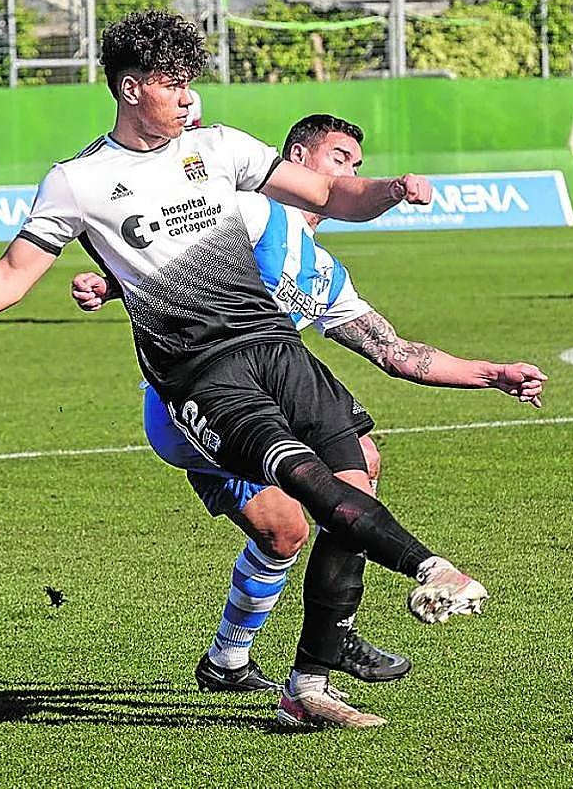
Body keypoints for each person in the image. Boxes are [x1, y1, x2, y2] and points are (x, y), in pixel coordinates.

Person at [0, 10, 514, 730]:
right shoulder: (78, 182)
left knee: (358, 470)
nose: (187, 98)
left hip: (274, 344)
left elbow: (331, 195)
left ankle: (308, 684)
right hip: (198, 371)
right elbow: (10, 277)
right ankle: (430, 567)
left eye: (188, 83)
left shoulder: (219, 148)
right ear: (131, 88)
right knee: (300, 480)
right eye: (173, 84)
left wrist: (391, 189)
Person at [70, 113, 547, 705]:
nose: (350, 172)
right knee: (346, 472)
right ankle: (339, 630)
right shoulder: (249, 210)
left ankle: (230, 660)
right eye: (339, 158)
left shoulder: (323, 272)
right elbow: (169, 253)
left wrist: (492, 374)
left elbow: (395, 351)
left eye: (357, 165)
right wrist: (111, 284)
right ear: (297, 158)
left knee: (289, 532)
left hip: (270, 396)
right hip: (192, 403)